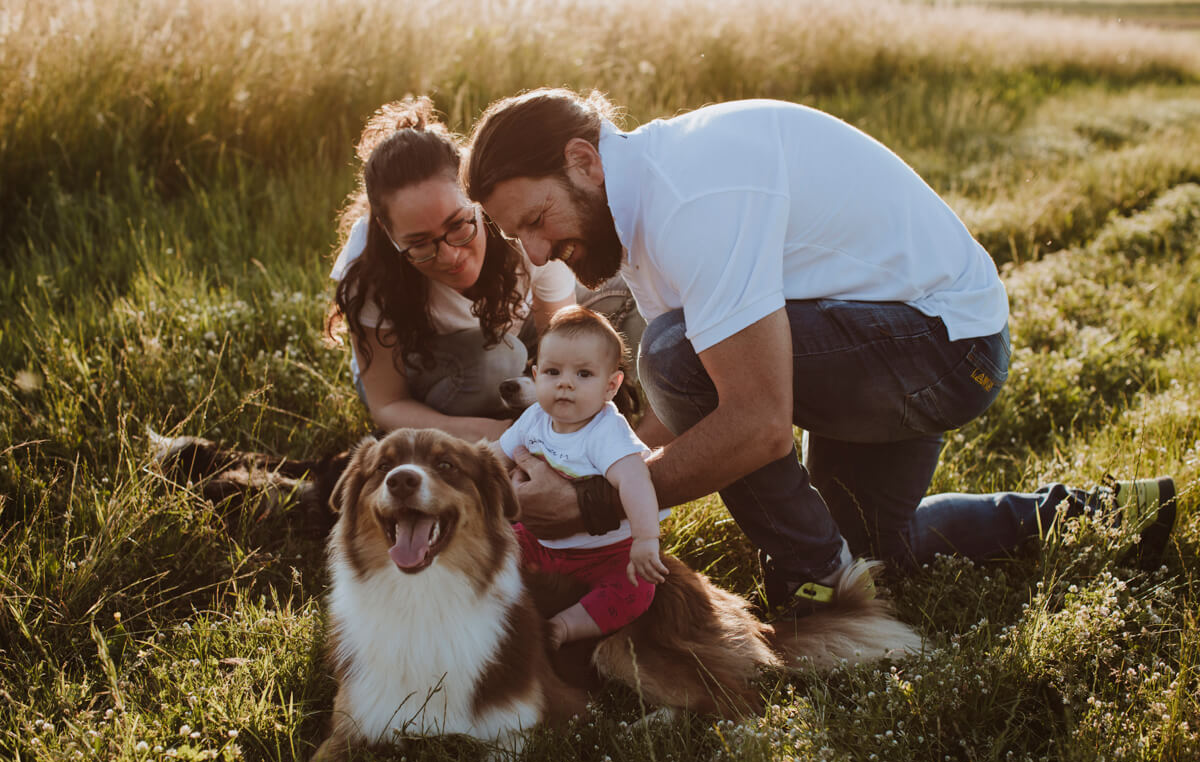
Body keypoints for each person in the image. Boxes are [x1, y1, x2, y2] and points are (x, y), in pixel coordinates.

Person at [463, 88, 1178, 619]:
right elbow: (692, 413)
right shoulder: (643, 203)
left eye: (537, 220)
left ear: (583, 162)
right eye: (517, 235)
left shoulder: (687, 200)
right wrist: (592, 467)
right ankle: (1095, 512)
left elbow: (756, 420)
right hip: (896, 338)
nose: (536, 251)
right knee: (873, 542)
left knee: (674, 356)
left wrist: (594, 502)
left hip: (942, 348)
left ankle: (816, 583)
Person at [325, 96, 579, 442]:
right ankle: (465, 417)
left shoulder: (519, 222)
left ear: (475, 198)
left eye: (459, 224)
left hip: (506, 333)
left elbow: (562, 341)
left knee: (611, 301)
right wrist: (500, 434)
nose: (450, 256)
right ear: (388, 232)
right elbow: (388, 403)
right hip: (414, 375)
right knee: (499, 360)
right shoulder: (370, 267)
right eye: (419, 243)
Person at [491, 306, 669, 646]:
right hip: (539, 540)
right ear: (537, 373)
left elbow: (635, 481)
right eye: (553, 372)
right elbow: (494, 457)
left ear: (611, 386)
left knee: (635, 589)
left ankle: (565, 627)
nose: (565, 384)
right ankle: (490, 606)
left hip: (605, 552)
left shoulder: (607, 433)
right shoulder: (533, 419)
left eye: (584, 374)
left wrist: (646, 540)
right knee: (493, 546)